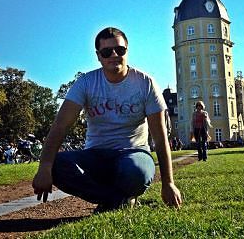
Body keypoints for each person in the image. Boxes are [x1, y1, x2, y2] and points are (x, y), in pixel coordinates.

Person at [32, 27, 182, 212]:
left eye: (120, 50)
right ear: (98, 56)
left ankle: (118, 198)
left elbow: (160, 138)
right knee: (56, 165)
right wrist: (45, 167)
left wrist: (168, 183)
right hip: (96, 155)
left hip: (133, 154)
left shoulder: (145, 83)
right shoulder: (86, 83)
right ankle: (115, 200)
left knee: (135, 172)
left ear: (127, 50)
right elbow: (60, 127)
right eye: (106, 51)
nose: (114, 55)